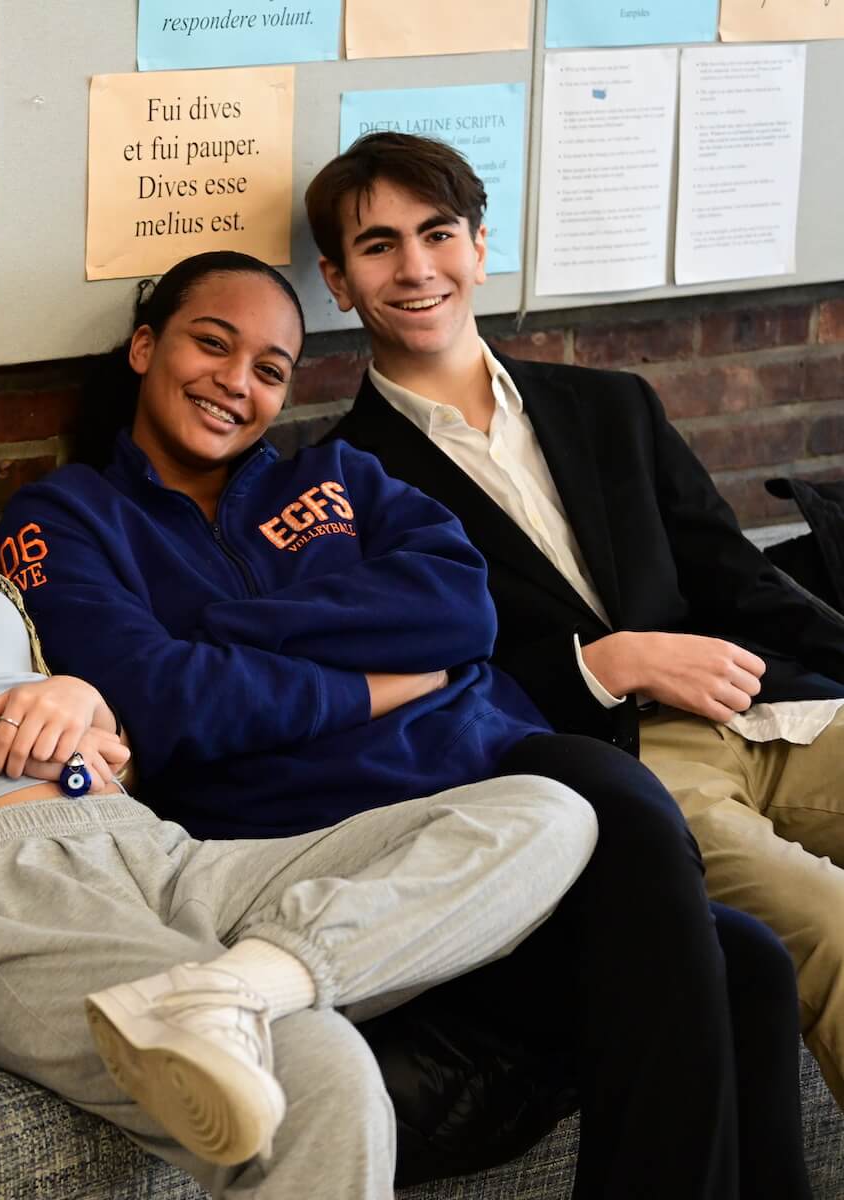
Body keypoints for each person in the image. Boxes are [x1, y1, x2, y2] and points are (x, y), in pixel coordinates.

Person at [0, 283, 605, 1200]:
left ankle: (241, 987)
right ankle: (245, 999)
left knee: (550, 813)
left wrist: (82, 698)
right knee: (317, 1072)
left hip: (148, 844)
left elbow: (105, 728)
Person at [0, 251, 810, 1199]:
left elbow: (463, 614)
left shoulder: (344, 476)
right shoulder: (65, 517)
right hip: (327, 830)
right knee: (676, 884)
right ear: (144, 346)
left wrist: (222, 633)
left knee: (742, 955)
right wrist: (372, 681)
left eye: (269, 368)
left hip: (490, 773)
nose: (235, 384)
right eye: (211, 344)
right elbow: (162, 699)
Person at [314, 131, 844, 1110]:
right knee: (828, 921)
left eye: (437, 234)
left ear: (480, 244)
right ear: (338, 282)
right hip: (624, 763)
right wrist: (606, 662)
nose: (417, 268)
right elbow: (432, 693)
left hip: (768, 708)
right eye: (378, 246)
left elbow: (737, 580)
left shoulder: (611, 405)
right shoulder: (341, 484)